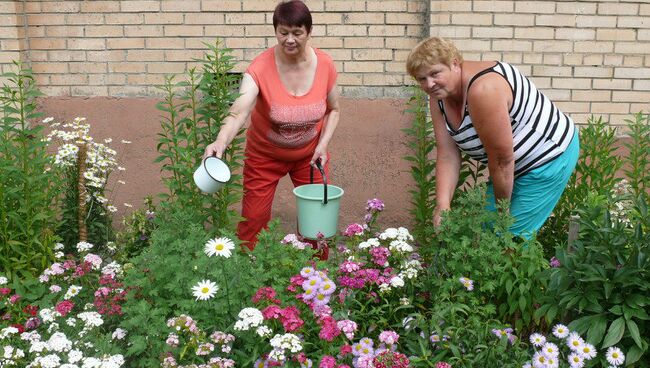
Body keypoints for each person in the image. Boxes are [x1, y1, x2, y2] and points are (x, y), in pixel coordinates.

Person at [406, 37, 579, 238]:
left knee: (509, 239)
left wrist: (502, 213)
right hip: (510, 166)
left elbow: (502, 161)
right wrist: (442, 206)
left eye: (435, 73)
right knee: (479, 230)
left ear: (454, 63)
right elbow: (447, 154)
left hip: (548, 157)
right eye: (421, 79)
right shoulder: (439, 97)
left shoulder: (484, 89)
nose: (429, 84)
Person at [204, 0, 340, 250]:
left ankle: (315, 283)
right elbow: (238, 113)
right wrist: (220, 141)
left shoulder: (326, 65)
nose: (290, 39)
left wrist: (323, 145)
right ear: (276, 31)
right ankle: (249, 278)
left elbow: (334, 110)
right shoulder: (259, 68)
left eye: (297, 32)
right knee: (253, 221)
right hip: (264, 158)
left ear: (309, 32)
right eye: (283, 32)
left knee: (316, 226)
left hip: (311, 158)